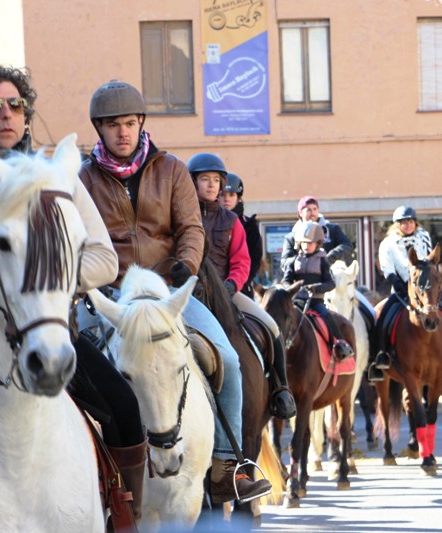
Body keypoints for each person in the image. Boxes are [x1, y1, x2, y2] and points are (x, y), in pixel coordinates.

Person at [78, 80, 271, 506]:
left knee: (232, 363)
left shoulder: (172, 170)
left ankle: (226, 466)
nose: (123, 132)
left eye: (129, 123)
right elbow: (78, 239)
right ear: (100, 129)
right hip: (110, 297)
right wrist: (90, 284)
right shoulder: (84, 179)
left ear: (141, 123)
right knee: (68, 369)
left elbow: (191, 228)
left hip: (168, 294)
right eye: (113, 125)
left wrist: (184, 266)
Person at [0, 62, 147, 521]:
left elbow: (104, 259)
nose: (6, 114)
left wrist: (45, 282)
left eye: (16, 105)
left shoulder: (58, 175)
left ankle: (126, 515)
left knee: (124, 404)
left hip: (46, 326)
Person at [187, 152, 296, 420]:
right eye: (205, 179)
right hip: (187, 295)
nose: (212, 185)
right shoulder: (180, 216)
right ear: (193, 182)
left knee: (271, 327)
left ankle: (281, 390)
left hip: (227, 294)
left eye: (216, 180)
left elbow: (242, 261)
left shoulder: (231, 221)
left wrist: (231, 285)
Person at [369, 206, 442, 382]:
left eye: (410, 222)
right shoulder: (387, 244)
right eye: (404, 222)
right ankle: (381, 356)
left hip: (425, 289)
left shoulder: (424, 237)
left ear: (415, 223)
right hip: (401, 289)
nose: (408, 225)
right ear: (397, 225)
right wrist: (398, 283)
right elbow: (387, 268)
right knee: (382, 319)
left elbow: (430, 260)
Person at [281, 220, 354, 360]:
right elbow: (286, 280)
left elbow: (331, 283)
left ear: (318, 243)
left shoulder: (323, 261)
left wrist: (317, 288)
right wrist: (290, 290)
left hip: (315, 302)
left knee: (327, 318)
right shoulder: (293, 261)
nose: (306, 246)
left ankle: (339, 345)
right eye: (303, 243)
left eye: (309, 243)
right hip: (296, 301)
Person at [219, 171, 263, 298]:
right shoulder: (208, 220)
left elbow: (255, 258)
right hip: (212, 285)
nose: (227, 199)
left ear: (238, 198)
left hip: (240, 288)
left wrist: (238, 283)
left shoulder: (249, 226)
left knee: (262, 318)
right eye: (223, 195)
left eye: (231, 195)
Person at [281, 195, 353, 270]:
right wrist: (304, 261)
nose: (312, 213)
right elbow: (284, 263)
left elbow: (347, 246)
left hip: (330, 277)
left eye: (315, 209)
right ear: (300, 213)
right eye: (308, 210)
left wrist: (329, 258)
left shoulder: (332, 230)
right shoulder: (291, 237)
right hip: (303, 278)